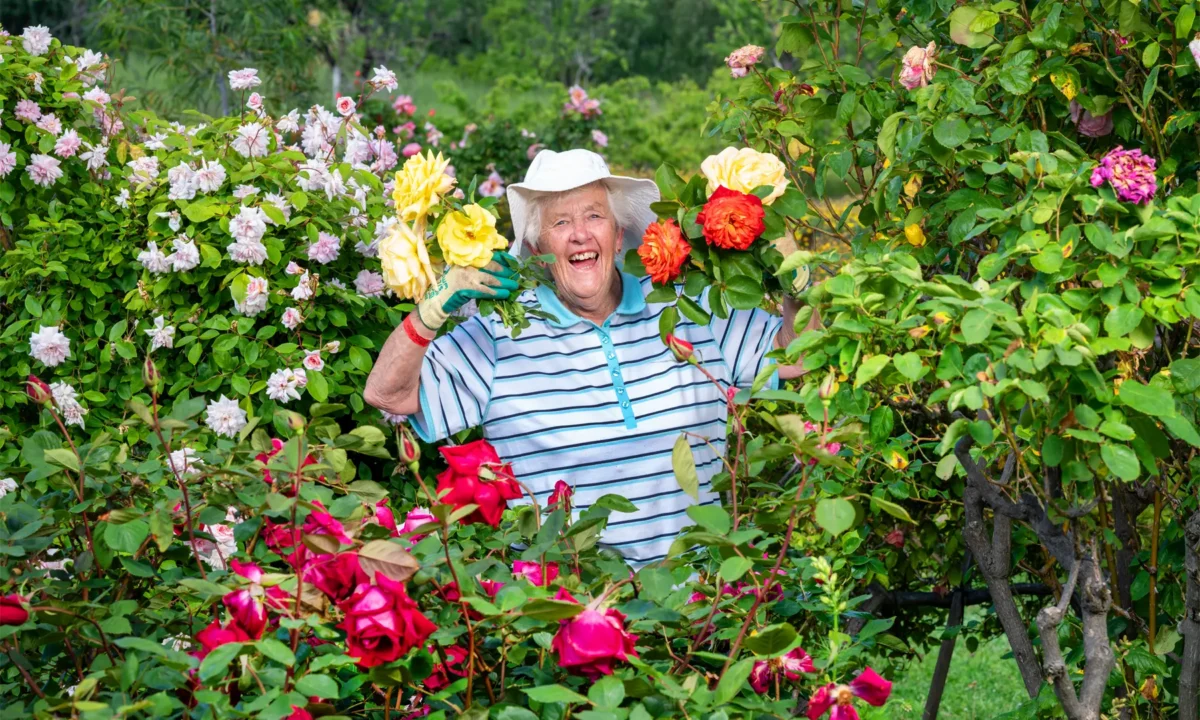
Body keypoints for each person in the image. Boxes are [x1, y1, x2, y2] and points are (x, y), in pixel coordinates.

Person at [365, 148, 812, 566]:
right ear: (538, 250)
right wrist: (434, 306)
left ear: (618, 238)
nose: (580, 233)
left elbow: (798, 356)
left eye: (594, 216)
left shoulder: (689, 307)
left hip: (705, 605)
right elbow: (388, 394)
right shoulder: (499, 336)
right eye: (560, 223)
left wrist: (796, 281)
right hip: (569, 613)